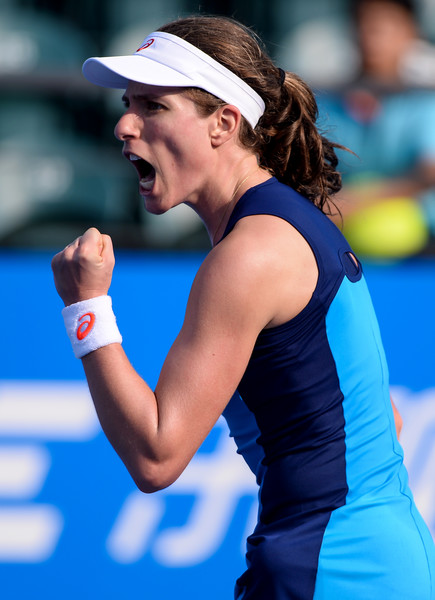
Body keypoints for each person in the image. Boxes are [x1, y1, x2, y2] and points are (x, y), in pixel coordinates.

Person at [51, 15, 435, 599]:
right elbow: (389, 421)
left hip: (328, 564)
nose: (124, 124)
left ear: (223, 123)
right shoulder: (294, 223)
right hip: (376, 556)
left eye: (154, 107)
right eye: (128, 104)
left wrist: (87, 306)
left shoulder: (249, 255)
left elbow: (156, 458)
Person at [317, 0, 435, 255]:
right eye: (363, 23)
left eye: (384, 25)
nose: (370, 36)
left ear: (410, 32)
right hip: (335, 242)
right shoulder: (325, 102)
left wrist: (356, 202)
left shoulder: (426, 102)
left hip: (422, 246)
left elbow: (428, 172)